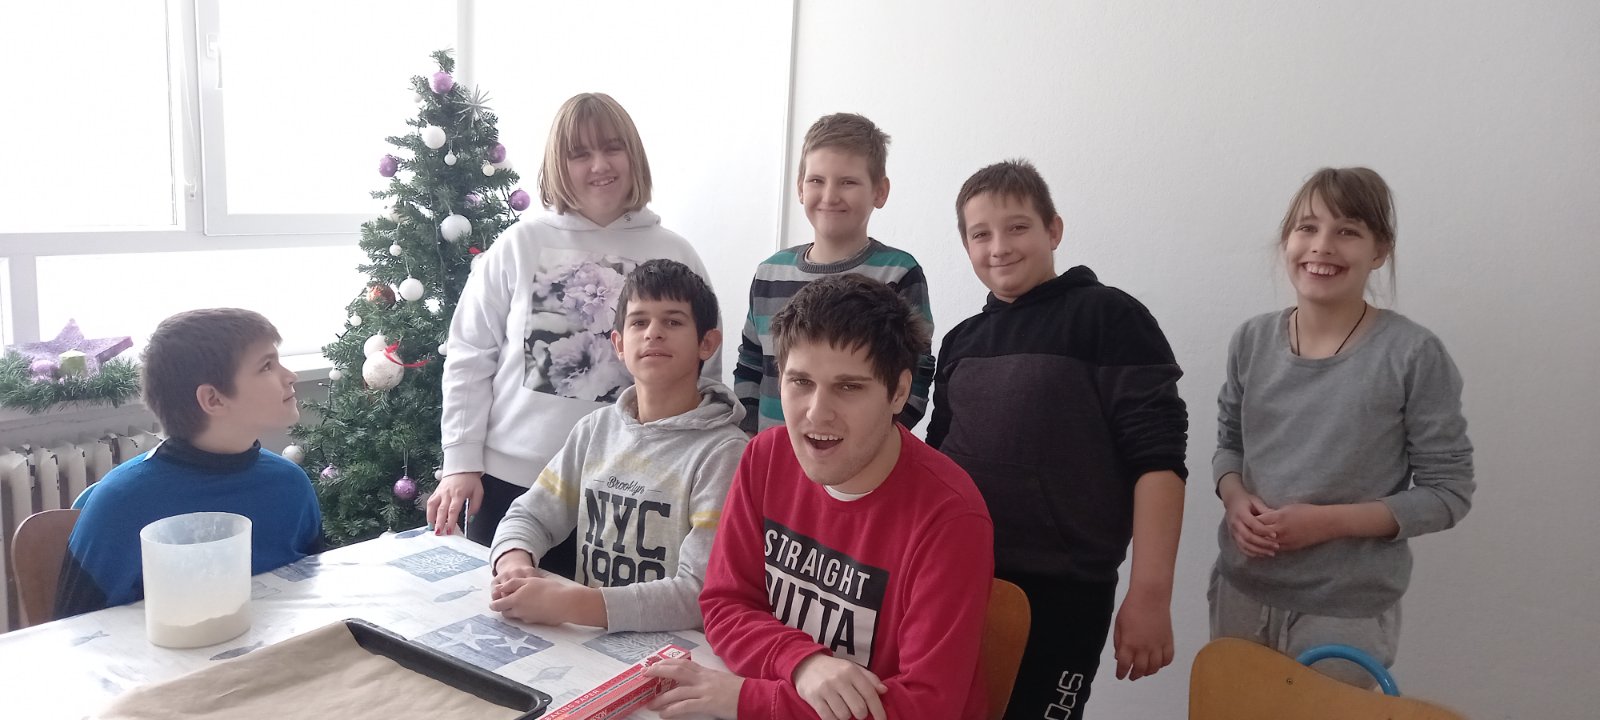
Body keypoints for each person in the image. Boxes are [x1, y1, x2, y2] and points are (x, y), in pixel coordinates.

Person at [647, 274, 994, 720]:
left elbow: (925, 707)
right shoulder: (765, 458)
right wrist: (802, 662)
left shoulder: (951, 517)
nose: (817, 413)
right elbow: (724, 603)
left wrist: (748, 700)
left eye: (849, 387)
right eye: (801, 382)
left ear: (899, 392)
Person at [927, 159, 1189, 719]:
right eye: (981, 234)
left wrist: (1150, 594)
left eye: (1017, 227)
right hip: (957, 579)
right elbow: (936, 464)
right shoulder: (961, 341)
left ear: (1054, 230)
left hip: (1064, 593)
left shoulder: (1109, 317)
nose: (999, 247)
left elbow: (1159, 461)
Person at [1210, 167, 1474, 686]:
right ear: (1287, 240)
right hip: (1241, 593)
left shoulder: (1413, 354)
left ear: (1380, 251)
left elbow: (1449, 493)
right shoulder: (1251, 340)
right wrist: (1235, 497)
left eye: (1347, 231)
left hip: (1344, 612)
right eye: (1307, 227)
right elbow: (1229, 446)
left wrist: (1327, 523)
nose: (1322, 245)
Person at [432, 93, 718, 563]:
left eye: (612, 148)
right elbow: (469, 354)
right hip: (513, 483)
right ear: (557, 166)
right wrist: (461, 460)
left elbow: (703, 372)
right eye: (579, 153)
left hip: (633, 492)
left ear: (633, 154)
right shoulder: (519, 244)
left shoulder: (676, 253)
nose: (599, 165)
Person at [486, 260, 746, 632]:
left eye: (673, 322)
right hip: (589, 643)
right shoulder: (595, 431)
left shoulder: (725, 454)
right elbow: (531, 516)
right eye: (639, 322)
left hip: (676, 651)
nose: (653, 333)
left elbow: (700, 594)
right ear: (619, 344)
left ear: (707, 343)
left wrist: (571, 604)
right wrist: (514, 562)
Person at [55, 308, 321, 619]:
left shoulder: (290, 485)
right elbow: (73, 631)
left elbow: (314, 598)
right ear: (213, 399)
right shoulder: (122, 503)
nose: (290, 376)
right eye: (266, 366)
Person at [733, 112, 934, 435]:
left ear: (880, 191)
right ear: (800, 188)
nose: (829, 196)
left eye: (848, 182)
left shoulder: (898, 273)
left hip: (859, 455)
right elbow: (751, 363)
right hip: (775, 454)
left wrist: (878, 442)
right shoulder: (769, 273)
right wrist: (750, 436)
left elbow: (916, 374)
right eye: (816, 181)